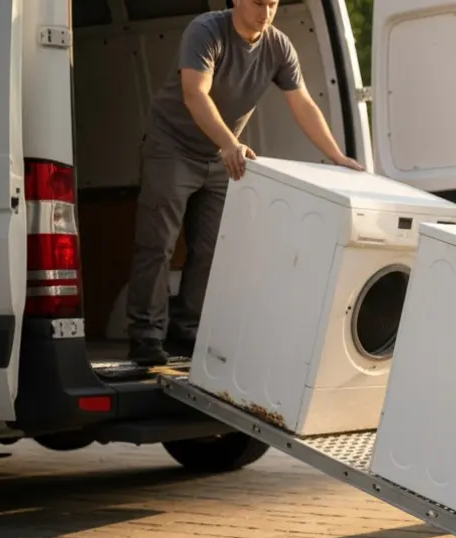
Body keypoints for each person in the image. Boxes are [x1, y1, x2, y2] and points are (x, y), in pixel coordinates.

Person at [126, 0, 363, 365]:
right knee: (158, 244)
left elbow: (302, 103)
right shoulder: (205, 31)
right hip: (171, 148)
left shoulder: (277, 45)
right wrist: (230, 144)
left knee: (212, 248)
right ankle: (145, 337)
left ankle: (187, 330)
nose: (265, 12)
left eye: (272, 3)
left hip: (222, 157)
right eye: (257, 2)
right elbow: (195, 93)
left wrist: (337, 157)